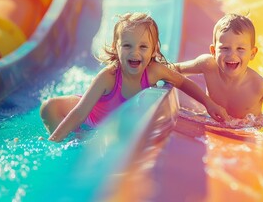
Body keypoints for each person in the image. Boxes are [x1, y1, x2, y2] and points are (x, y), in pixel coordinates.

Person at [40, 12, 228, 142]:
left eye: (143, 47)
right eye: (127, 46)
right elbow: (80, 113)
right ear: (116, 47)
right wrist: (55, 141)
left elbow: (182, 82)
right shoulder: (109, 76)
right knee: (48, 108)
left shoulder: (154, 71)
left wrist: (208, 103)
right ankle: (78, 138)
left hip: (114, 123)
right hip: (93, 118)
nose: (134, 53)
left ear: (153, 49)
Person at [174, 13, 263, 120]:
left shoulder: (260, 85)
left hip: (249, 129)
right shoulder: (207, 66)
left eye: (240, 49)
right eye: (224, 48)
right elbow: (176, 69)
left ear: (252, 53)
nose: (232, 54)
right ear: (213, 51)